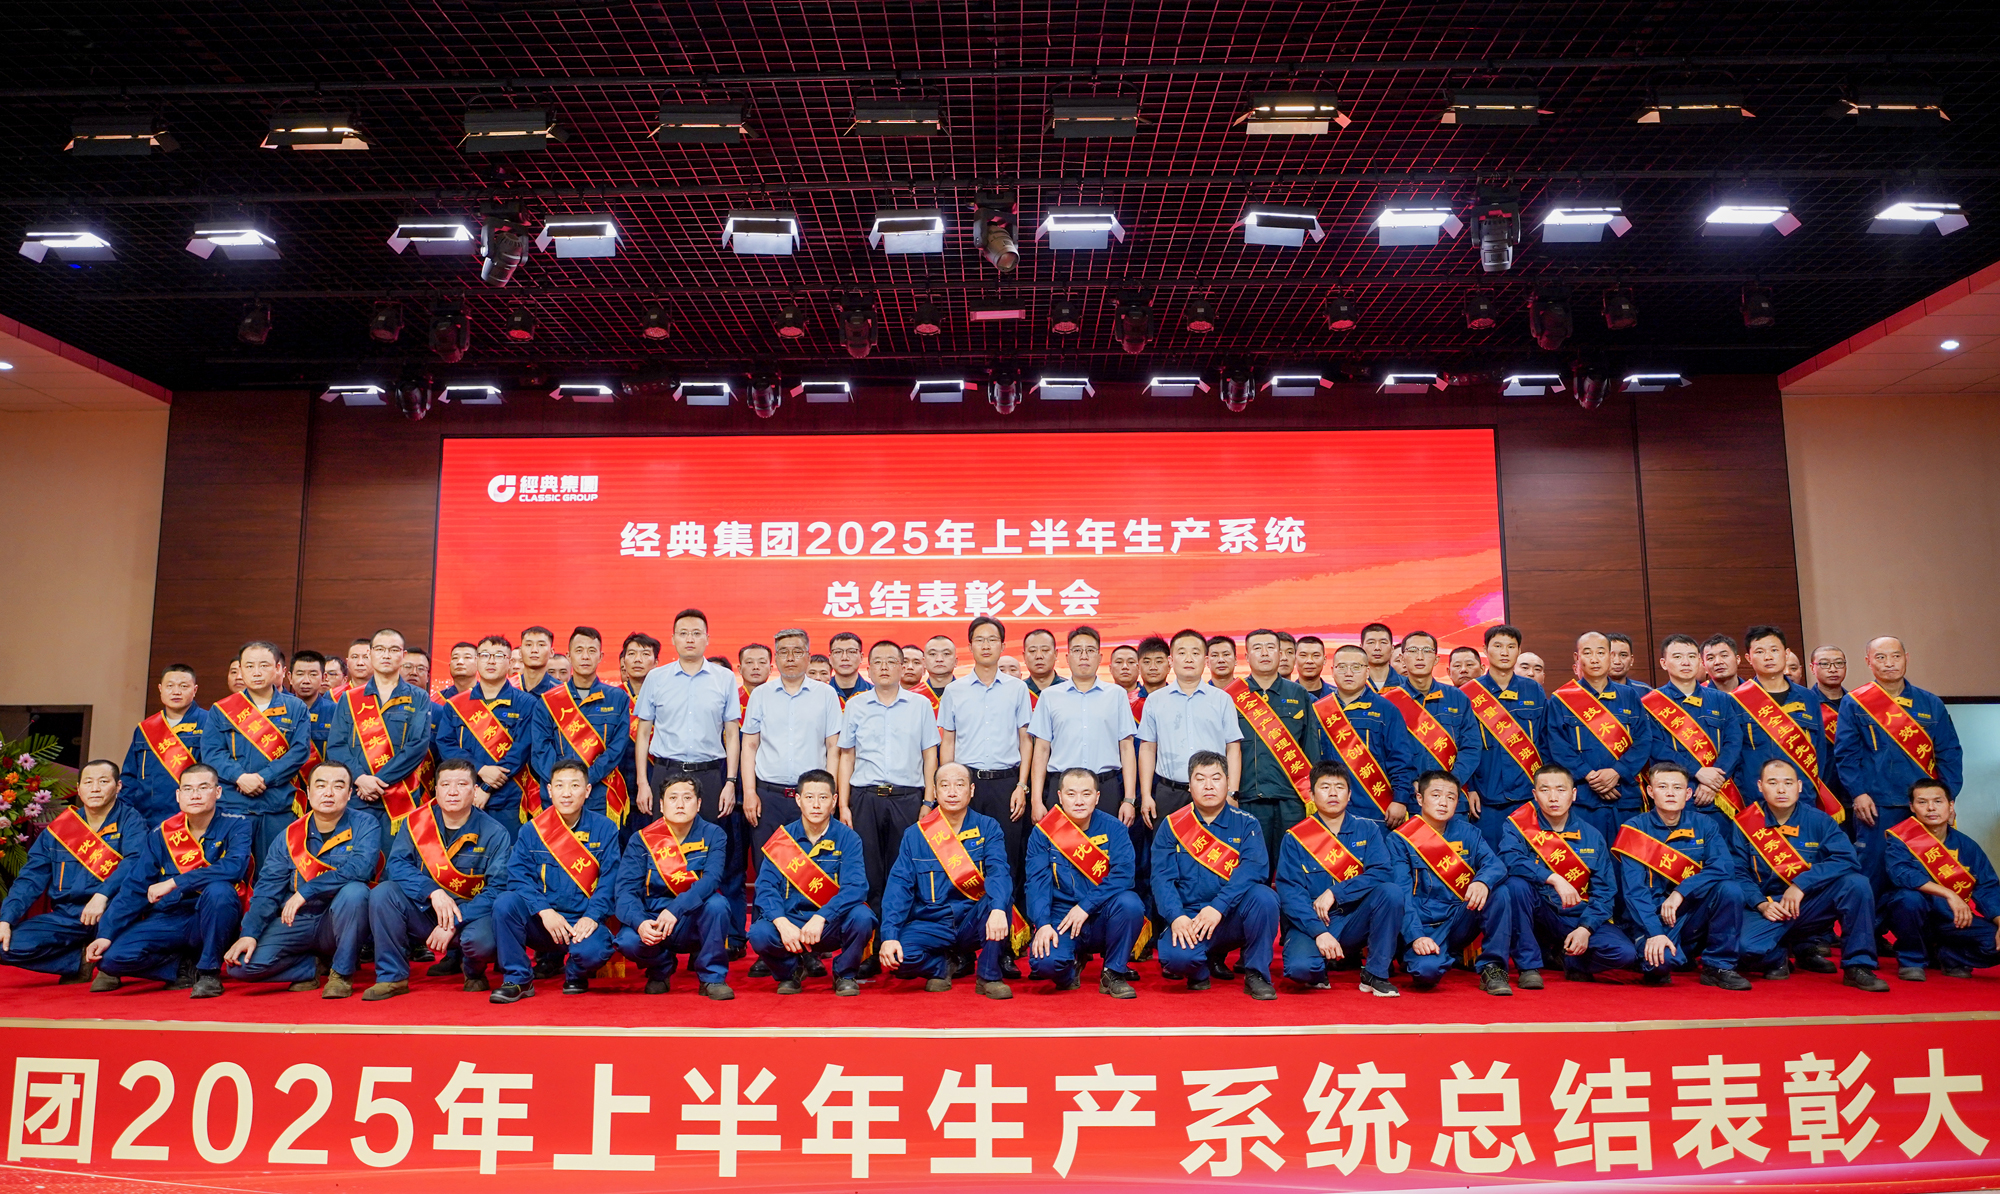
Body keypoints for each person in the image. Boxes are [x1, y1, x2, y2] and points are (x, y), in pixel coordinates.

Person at [86, 763, 253, 997]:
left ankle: (209, 973)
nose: (195, 795)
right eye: (188, 789)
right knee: (110, 960)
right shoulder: (161, 833)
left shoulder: (237, 823)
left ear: (217, 792)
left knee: (219, 891)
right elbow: (135, 888)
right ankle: (181, 967)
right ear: (178, 795)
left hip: (212, 916)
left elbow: (233, 868)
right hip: (170, 916)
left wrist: (175, 882)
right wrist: (106, 933)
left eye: (203, 788)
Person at [224, 760, 379, 998]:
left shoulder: (365, 824)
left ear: (349, 794)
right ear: (308, 791)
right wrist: (249, 933)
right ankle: (311, 967)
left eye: (338, 786)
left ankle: (341, 973)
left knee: (355, 892)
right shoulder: (289, 836)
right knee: (240, 966)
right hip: (296, 920)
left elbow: (360, 869)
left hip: (337, 919)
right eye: (321, 785)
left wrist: (307, 891)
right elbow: (267, 891)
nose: (328, 793)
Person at [1732, 758, 1888, 990]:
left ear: (1799, 786)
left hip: (1808, 904)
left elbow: (1847, 859)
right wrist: (1761, 904)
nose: (1781, 789)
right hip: (1768, 907)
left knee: (1856, 884)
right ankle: (1779, 954)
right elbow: (1738, 872)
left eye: (1788, 783)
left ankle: (1858, 966)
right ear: (1760, 786)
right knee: (1742, 949)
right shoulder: (1744, 823)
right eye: (1773, 783)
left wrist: (1801, 884)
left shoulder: (1820, 820)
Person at [365, 757, 511, 998]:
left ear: (475, 790)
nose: (452, 792)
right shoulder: (416, 823)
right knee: (383, 893)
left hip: (470, 915)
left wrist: (453, 922)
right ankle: (392, 977)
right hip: (427, 909)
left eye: (462, 785)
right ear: (435, 789)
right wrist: (432, 892)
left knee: (481, 943)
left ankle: (473, 971)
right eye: (445, 785)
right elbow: (397, 865)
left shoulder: (495, 833)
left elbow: (498, 889)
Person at [878, 762, 1014, 999]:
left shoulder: (988, 827)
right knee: (898, 958)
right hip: (933, 922)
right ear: (935, 791)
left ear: (971, 790)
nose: (952, 792)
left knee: (1000, 901)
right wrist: (889, 935)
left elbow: (998, 872)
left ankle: (989, 976)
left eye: (959, 785)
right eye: (945, 785)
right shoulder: (915, 834)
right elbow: (898, 888)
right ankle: (943, 966)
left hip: (972, 920)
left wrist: (998, 909)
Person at [488, 759, 622, 1002]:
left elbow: (610, 881)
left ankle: (575, 973)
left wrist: (592, 916)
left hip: (581, 921)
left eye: (574, 786)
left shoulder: (605, 828)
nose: (566, 793)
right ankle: (518, 979)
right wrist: (544, 911)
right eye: (559, 786)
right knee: (505, 903)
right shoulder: (532, 830)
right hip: (543, 921)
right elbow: (518, 879)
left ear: (587, 790)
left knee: (595, 951)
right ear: (549, 791)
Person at [1836, 636, 1964, 887]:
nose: (1889, 663)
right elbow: (1846, 754)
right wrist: (1858, 793)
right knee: (1873, 871)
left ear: (1906, 658)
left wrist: (1947, 799)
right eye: (1880, 657)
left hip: (1924, 804)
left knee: (1924, 871)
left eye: (1895, 656)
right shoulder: (1855, 702)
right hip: (1876, 804)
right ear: (1868, 662)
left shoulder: (1930, 703)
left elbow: (1949, 754)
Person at [1150, 751, 1279, 999]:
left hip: (1230, 915)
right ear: (1190, 786)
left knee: (1264, 898)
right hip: (1190, 918)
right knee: (1176, 960)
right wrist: (1176, 917)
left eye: (1216, 778)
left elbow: (1253, 871)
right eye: (1200, 779)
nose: (1208, 786)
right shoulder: (1172, 825)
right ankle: (1200, 969)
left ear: (1228, 783)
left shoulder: (1247, 823)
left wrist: (1218, 907)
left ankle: (1256, 973)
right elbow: (1161, 879)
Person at [936, 615, 1035, 937]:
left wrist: (1022, 785)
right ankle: (964, 938)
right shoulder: (954, 690)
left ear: (1003, 646)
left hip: (1007, 784)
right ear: (970, 646)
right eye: (980, 639)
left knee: (1007, 860)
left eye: (993, 639)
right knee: (964, 860)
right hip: (967, 786)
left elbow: (1025, 740)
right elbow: (948, 742)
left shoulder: (1017, 689)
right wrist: (947, 787)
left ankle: (1008, 939)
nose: (986, 645)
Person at [1611, 763, 1752, 989]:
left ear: (1688, 794)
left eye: (1677, 787)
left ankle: (1718, 966)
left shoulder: (1705, 824)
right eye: (1663, 787)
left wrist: (1681, 892)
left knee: (1729, 889)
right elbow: (1634, 892)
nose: (1670, 793)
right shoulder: (1635, 829)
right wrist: (1655, 933)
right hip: (1653, 917)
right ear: (1650, 791)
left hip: (1690, 912)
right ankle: (1662, 951)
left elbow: (1723, 867)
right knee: (1660, 964)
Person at [1274, 763, 1405, 996]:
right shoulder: (1295, 837)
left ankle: (1375, 973)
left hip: (1355, 919)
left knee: (1391, 892)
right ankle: (1319, 966)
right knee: (1301, 970)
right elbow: (1290, 893)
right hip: (1312, 922)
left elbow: (1382, 873)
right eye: (1325, 787)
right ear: (1312, 795)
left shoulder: (1368, 829)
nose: (1333, 793)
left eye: (1339, 787)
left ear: (1349, 794)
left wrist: (1336, 892)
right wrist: (1319, 932)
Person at [1499, 764, 1635, 985]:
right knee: (1515, 885)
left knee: (1624, 953)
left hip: (1577, 916)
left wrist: (1585, 928)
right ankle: (1528, 966)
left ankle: (1569, 960)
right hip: (1540, 913)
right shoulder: (1517, 826)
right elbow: (1509, 859)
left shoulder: (1591, 836)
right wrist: (1553, 878)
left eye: (1561, 790)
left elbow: (1605, 891)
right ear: (1535, 795)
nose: (1553, 797)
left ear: (1574, 794)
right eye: (1545, 790)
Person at [1387, 770, 1520, 996]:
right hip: (1424, 925)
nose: (1443, 802)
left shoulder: (1469, 833)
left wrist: (1482, 882)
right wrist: (1416, 936)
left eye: (1451, 797)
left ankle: (1493, 968)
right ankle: (1432, 955)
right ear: (1419, 798)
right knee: (1426, 973)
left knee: (1500, 892)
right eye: (1436, 795)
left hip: (1459, 919)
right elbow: (1402, 895)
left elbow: (1496, 865)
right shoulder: (1399, 839)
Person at [0, 760, 130, 982]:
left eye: (103, 782)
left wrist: (102, 895)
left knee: (126, 954)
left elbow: (135, 862)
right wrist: (6, 919)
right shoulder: (60, 829)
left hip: (113, 912)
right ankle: (78, 961)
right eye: (88, 782)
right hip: (69, 916)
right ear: (78, 788)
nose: (95, 788)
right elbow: (31, 878)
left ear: (118, 786)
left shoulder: (130, 821)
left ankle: (107, 958)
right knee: (4, 945)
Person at [749, 769, 873, 995]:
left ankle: (844, 974)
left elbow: (856, 888)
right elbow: (765, 888)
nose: (816, 805)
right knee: (759, 933)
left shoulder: (848, 838)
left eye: (823, 797)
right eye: (809, 797)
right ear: (798, 800)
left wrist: (822, 916)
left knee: (862, 917)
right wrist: (782, 923)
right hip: (792, 921)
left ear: (834, 801)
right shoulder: (783, 840)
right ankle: (791, 971)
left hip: (830, 922)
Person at [840, 639, 941, 916]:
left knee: (905, 868)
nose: (884, 667)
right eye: (877, 662)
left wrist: (928, 802)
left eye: (891, 661)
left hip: (907, 799)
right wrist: (844, 805)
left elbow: (930, 756)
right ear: (868, 668)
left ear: (901, 666)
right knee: (868, 869)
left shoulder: (920, 705)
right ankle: (871, 935)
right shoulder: (856, 705)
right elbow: (847, 756)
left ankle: (900, 931)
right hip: (865, 798)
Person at [612, 774, 735, 999]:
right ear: (661, 805)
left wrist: (675, 909)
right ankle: (661, 968)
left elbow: (711, 880)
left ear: (698, 804)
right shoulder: (642, 840)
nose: (680, 804)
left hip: (691, 918)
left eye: (687, 798)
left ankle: (712, 978)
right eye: (673, 798)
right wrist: (640, 923)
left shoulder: (713, 834)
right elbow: (626, 891)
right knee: (627, 941)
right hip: (654, 918)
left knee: (717, 904)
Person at [202, 640, 311, 861]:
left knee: (275, 870)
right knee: (232, 870)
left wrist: (263, 777)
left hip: (277, 805)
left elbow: (299, 752)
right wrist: (240, 777)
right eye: (249, 666)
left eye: (264, 665)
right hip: (233, 804)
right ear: (240, 670)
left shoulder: (295, 707)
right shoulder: (222, 709)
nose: (257, 672)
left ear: (278, 668)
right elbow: (212, 753)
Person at [1880, 779, 2000, 980]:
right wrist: (1949, 894)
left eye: (1938, 801)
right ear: (1912, 807)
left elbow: (1987, 887)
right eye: (1922, 802)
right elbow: (1901, 874)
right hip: (1914, 915)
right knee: (1908, 898)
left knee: (1994, 942)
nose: (1931, 808)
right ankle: (1912, 961)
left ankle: (1948, 956)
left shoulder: (1967, 846)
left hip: (1953, 920)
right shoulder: (1900, 839)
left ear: (1950, 805)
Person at [1227, 630, 1326, 870]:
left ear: (1281, 654)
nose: (1264, 653)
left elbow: (1311, 748)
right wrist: (1230, 793)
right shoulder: (1230, 697)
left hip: (1291, 800)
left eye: (1270, 647)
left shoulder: (1299, 694)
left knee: (1292, 867)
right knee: (1251, 866)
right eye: (1257, 648)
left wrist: (1313, 793)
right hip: (1247, 797)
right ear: (1246, 656)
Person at [1545, 631, 1655, 845]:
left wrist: (1617, 772)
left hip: (1624, 795)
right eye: (1587, 653)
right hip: (1583, 797)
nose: (1594, 659)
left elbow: (1643, 740)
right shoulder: (1562, 699)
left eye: (1601, 652)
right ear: (1577, 658)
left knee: (1628, 856)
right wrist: (1589, 776)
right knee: (1587, 856)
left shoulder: (1629, 695)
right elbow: (1557, 745)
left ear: (1610, 656)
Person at [742, 628, 843, 858]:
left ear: (808, 656)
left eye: (797, 652)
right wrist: (749, 792)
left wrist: (829, 794)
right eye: (783, 652)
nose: (790, 658)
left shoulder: (826, 694)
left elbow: (833, 748)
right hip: (768, 797)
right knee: (767, 864)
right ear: (775, 658)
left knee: (812, 865)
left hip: (812, 797)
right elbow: (749, 746)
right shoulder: (761, 695)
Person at [325, 628, 433, 839]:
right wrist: (361, 778)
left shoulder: (419, 698)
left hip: (399, 795)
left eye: (393, 650)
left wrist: (377, 781)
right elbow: (337, 746)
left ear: (403, 655)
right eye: (380, 649)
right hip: (357, 796)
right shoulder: (349, 699)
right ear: (371, 653)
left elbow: (417, 746)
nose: (386, 655)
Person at [1729, 626, 1843, 824]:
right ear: (1748, 658)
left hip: (1802, 794)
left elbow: (1819, 751)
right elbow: (1734, 752)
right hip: (1755, 797)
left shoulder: (1808, 697)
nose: (1768, 657)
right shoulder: (1736, 700)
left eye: (1774, 650)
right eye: (1760, 651)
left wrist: (1808, 785)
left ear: (1786, 653)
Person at [1137, 628, 1244, 834]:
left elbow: (1233, 748)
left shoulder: (1221, 699)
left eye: (1195, 653)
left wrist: (1232, 792)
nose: (1188, 659)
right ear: (1171, 660)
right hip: (1169, 792)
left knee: (1215, 849)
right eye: (1182, 652)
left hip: (1213, 792)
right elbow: (1147, 748)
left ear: (1205, 660)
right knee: (1169, 848)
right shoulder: (1155, 700)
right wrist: (1147, 795)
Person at [1028, 627, 1138, 823]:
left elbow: (1127, 747)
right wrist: (1036, 800)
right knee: (1059, 843)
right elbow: (1042, 750)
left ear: (1100, 657)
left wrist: (1129, 799)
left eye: (1090, 650)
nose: (1084, 656)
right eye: (1077, 650)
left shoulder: (1116, 695)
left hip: (1105, 787)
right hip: (1062, 788)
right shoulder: (1050, 696)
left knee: (1104, 842)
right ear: (1067, 657)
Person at [434, 634, 536, 841]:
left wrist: (487, 788)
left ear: (510, 662)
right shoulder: (455, 705)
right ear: (477, 660)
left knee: (507, 852)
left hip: (509, 796)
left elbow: (521, 750)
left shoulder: (527, 703)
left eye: (498, 655)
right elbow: (446, 744)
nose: (491, 661)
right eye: (485, 655)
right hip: (464, 794)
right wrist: (480, 769)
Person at [536, 625, 637, 828]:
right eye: (579, 650)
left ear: (600, 657)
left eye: (591, 651)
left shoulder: (617, 698)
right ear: (569, 656)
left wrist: (585, 780)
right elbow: (541, 749)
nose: (585, 657)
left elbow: (616, 749)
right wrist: (564, 783)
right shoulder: (548, 701)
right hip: (560, 795)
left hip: (601, 791)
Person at [1460, 624, 1549, 847]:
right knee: (1488, 858)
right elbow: (1463, 746)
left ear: (1519, 651)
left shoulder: (1533, 690)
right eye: (1498, 646)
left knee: (1527, 856)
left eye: (1511, 646)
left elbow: (1545, 741)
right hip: (1485, 796)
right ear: (1485, 649)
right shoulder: (1468, 693)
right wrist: (1469, 788)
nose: (1504, 652)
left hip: (1527, 794)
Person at [1639, 634, 1748, 815]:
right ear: (1664, 663)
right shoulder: (1650, 704)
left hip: (1719, 793)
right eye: (1677, 656)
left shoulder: (1721, 699)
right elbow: (1657, 748)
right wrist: (1697, 772)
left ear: (1699, 661)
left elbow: (1734, 743)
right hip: (1676, 795)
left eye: (1691, 656)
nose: (1686, 662)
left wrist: (1713, 782)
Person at [1314, 645, 1416, 833]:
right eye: (1342, 667)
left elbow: (1400, 758)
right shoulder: (1319, 710)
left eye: (1356, 667)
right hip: (1328, 805)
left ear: (1367, 671)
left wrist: (1401, 800)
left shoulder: (1386, 709)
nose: (1348, 673)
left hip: (1374, 805)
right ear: (1332, 670)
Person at [1382, 631, 1483, 811]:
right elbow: (1386, 752)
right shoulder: (1389, 702)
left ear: (1436, 659)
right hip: (1409, 798)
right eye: (1413, 650)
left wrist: (1451, 783)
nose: (1420, 657)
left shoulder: (1457, 698)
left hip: (1452, 797)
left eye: (1427, 651)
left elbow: (1471, 747)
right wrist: (1408, 785)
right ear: (1402, 658)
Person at [121, 664, 206, 825]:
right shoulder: (145, 729)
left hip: (191, 818)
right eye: (170, 686)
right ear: (160, 689)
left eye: (183, 686)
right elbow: (129, 777)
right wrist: (125, 814)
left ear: (194, 690)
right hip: (145, 817)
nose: (176, 692)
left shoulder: (208, 723)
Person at [827, 632, 870, 707]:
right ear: (830, 658)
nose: (845, 658)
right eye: (838, 652)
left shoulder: (874, 693)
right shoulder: (821, 694)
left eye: (851, 652)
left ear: (861, 657)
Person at [517, 625, 559, 696]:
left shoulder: (559, 691)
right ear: (520, 651)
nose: (534, 650)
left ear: (551, 652)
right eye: (528, 645)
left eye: (541, 645)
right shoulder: (508, 687)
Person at [1022, 628, 1062, 700]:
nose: (1039, 656)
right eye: (1032, 651)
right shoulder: (1019, 691)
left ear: (1055, 654)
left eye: (1045, 650)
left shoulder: (1069, 690)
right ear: (1024, 656)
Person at [1360, 623, 1400, 691]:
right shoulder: (1354, 685)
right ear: (1361, 648)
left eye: (1383, 642)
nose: (1377, 648)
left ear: (1392, 648)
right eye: (1371, 642)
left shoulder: (1407, 686)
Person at [1109, 643, 1144, 720]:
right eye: (1119, 662)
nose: (1125, 667)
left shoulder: (1149, 699)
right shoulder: (1103, 699)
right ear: (1110, 668)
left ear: (1139, 668)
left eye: (1131, 662)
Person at [921, 635, 957, 708]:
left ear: (955, 661)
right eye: (933, 654)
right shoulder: (913, 695)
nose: (939, 659)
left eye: (946, 654)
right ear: (924, 662)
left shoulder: (968, 693)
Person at [1294, 635, 1334, 701]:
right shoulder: (1285, 694)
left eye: (1316, 655)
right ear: (1295, 659)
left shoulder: (1336, 696)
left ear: (1324, 660)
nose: (1309, 661)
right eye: (1303, 655)